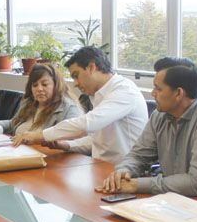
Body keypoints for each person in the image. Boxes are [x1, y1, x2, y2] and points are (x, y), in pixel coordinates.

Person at [98, 57, 197, 199]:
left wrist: (137, 185)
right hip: (177, 200)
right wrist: (124, 170)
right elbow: (138, 155)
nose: (152, 93)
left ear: (179, 93)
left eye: (158, 88)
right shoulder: (159, 115)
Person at [16, 46, 148, 164]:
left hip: (125, 172)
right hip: (99, 167)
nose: (75, 83)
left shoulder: (124, 91)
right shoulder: (98, 94)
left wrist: (39, 135)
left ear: (91, 67)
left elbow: (87, 123)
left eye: (76, 76)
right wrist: (67, 145)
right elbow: (97, 141)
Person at [0, 63, 81, 144]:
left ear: (56, 85)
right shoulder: (29, 103)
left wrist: (38, 139)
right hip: (17, 152)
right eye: (35, 85)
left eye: (45, 84)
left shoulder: (68, 108)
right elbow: (13, 124)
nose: (39, 89)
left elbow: (71, 141)